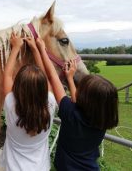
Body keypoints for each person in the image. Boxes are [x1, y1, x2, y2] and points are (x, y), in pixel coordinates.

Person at [37, 38, 119, 170]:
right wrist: (70, 78)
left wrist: (41, 49)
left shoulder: (70, 113)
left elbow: (52, 77)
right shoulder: (102, 119)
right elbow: (78, 103)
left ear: (84, 99)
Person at [0, 32, 57, 171]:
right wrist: (36, 50)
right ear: (44, 88)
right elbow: (47, 78)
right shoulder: (50, 103)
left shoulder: (10, 103)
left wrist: (15, 47)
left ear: (17, 86)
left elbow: (7, 75)